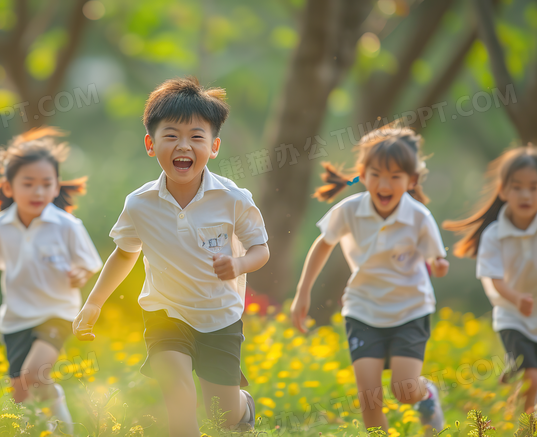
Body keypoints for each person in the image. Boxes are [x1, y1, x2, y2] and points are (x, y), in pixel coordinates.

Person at [72, 77, 270, 437]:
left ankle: (243, 404)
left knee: (223, 415)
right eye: (171, 135)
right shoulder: (139, 204)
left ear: (214, 146)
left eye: (196, 137)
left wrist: (238, 265)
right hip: (165, 314)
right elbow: (124, 253)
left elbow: (261, 250)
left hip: (219, 318)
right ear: (151, 143)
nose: (184, 146)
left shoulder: (233, 198)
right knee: (179, 400)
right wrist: (94, 303)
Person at [291, 123, 449, 432]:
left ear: (411, 180)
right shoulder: (349, 210)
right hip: (363, 311)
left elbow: (436, 258)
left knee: (404, 391)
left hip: (410, 311)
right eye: (375, 174)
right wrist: (303, 291)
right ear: (362, 175)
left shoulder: (419, 217)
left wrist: (440, 266)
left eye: (394, 176)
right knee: (369, 398)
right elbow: (323, 245)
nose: (383, 184)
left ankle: (426, 394)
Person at [0, 127, 102, 433]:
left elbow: (91, 265)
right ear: (9, 187)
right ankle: (41, 428)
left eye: (46, 184)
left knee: (34, 373)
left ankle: (62, 430)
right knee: (20, 392)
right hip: (16, 318)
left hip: (58, 312)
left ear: (57, 185)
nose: (38, 192)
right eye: (28, 184)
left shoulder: (67, 225)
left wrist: (79, 275)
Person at [444, 144, 537, 413]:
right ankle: (524, 427)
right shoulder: (494, 234)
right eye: (517, 187)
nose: (526, 195)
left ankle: (514, 369)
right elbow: (493, 278)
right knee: (532, 377)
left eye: (534, 187)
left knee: (531, 374)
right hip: (512, 315)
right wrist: (517, 298)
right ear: (503, 190)